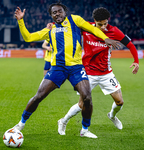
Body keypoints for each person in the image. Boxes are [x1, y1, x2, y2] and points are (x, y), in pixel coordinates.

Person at [13, 2, 120, 139]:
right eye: (54, 13)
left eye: (59, 11)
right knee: (39, 96)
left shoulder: (75, 20)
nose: (57, 14)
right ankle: (20, 124)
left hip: (76, 67)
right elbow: (28, 37)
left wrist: (106, 38)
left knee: (87, 97)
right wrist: (21, 21)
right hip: (58, 68)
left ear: (65, 12)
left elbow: (92, 29)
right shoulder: (49, 30)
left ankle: (85, 130)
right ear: (51, 16)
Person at [58, 7, 139, 135]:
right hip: (88, 73)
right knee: (82, 103)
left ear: (108, 21)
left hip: (106, 73)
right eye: (99, 24)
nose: (102, 27)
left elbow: (130, 45)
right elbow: (66, 28)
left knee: (120, 101)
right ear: (94, 20)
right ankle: (63, 121)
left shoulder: (114, 31)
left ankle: (112, 116)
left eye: (105, 24)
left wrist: (136, 61)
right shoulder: (86, 28)